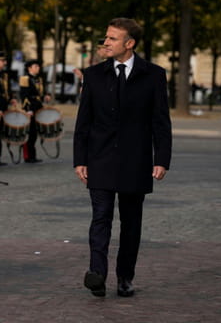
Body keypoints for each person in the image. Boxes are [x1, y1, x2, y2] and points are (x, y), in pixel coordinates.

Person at [73, 18, 172, 298]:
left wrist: (161, 159)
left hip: (135, 161)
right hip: (99, 158)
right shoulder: (93, 75)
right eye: (106, 37)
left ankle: (125, 277)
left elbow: (161, 122)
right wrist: (80, 159)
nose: (105, 42)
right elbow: (84, 122)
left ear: (129, 44)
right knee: (100, 217)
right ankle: (97, 274)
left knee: (131, 223)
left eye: (112, 38)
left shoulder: (153, 75)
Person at [19, 59, 49, 163]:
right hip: (30, 108)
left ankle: (33, 155)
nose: (38, 68)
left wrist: (45, 96)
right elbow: (24, 96)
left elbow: (41, 92)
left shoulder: (39, 79)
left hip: (38, 107)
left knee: (35, 133)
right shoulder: (25, 78)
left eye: (38, 66)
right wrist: (28, 109)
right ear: (29, 68)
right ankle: (28, 156)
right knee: (29, 133)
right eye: (36, 66)